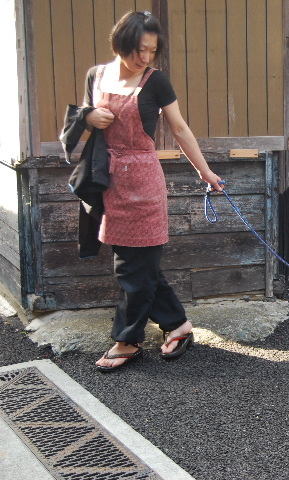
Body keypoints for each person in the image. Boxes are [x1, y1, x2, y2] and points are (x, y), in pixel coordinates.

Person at [83, 11, 224, 372]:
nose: (144, 58)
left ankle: (127, 340)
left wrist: (205, 171)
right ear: (121, 43)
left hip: (144, 183)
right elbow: (82, 122)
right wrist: (88, 118)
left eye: (151, 51)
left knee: (131, 267)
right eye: (139, 50)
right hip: (109, 181)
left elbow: (179, 128)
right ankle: (178, 325)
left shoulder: (155, 81)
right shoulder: (96, 76)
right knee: (141, 266)